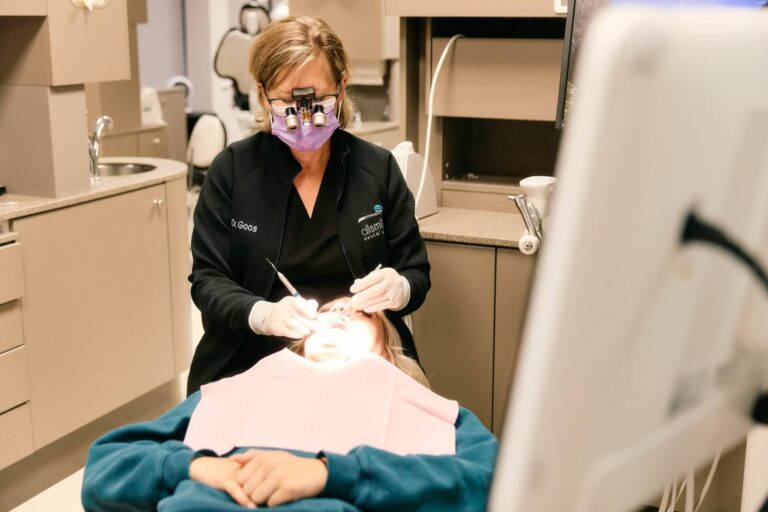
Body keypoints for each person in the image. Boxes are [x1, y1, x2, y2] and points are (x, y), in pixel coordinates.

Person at [187, 14, 430, 396]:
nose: (304, 116)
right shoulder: (233, 172)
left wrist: (400, 287)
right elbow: (207, 281)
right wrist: (262, 314)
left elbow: (416, 271)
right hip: (250, 363)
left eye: (317, 98)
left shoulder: (377, 170)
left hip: (357, 366)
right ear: (263, 93)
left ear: (342, 85)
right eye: (288, 100)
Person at [81, 299, 498, 511]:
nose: (337, 314)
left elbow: (494, 482)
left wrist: (330, 474)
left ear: (388, 352)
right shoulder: (244, 388)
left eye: (357, 314)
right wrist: (195, 466)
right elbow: (103, 468)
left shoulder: (427, 410)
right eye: (330, 311)